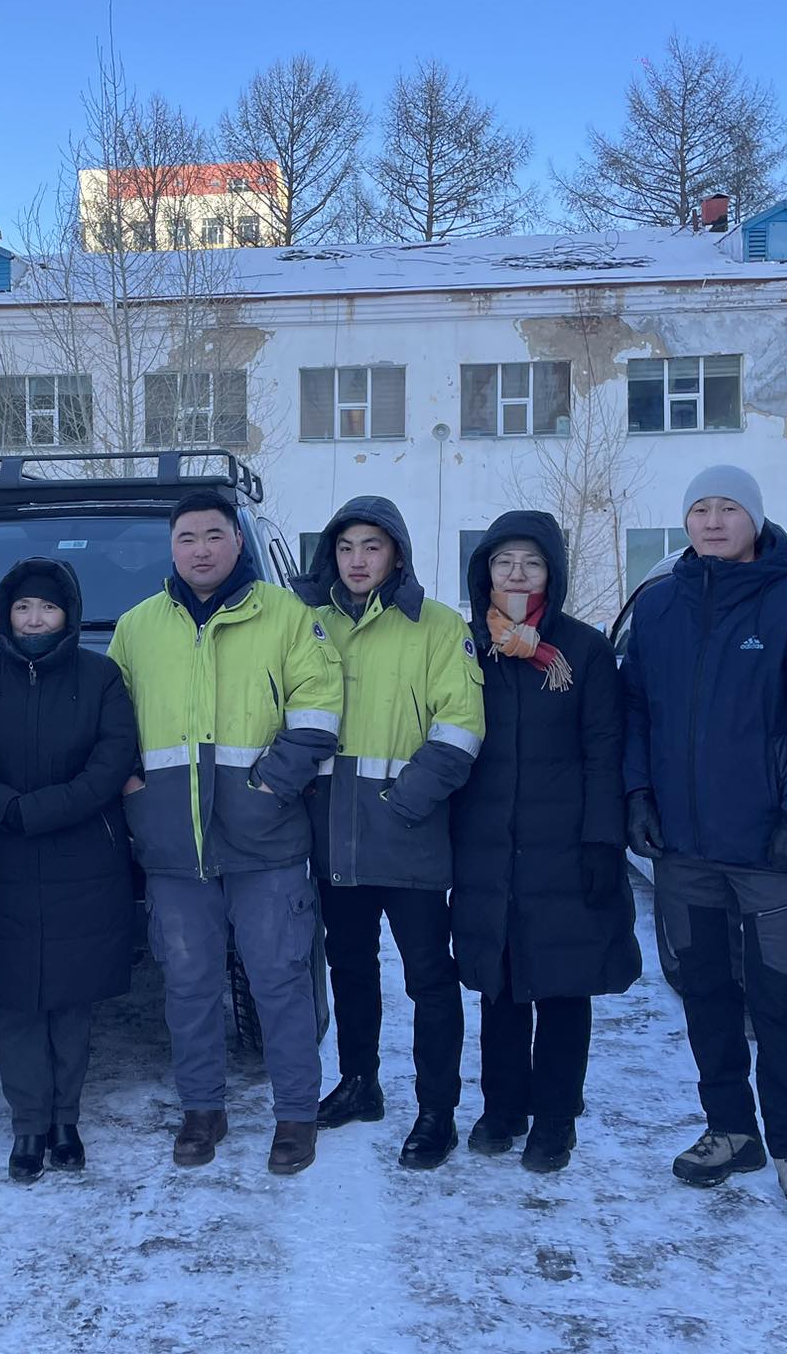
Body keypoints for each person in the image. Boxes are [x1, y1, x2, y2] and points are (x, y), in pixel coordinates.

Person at [621, 465, 787, 1222]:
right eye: (700, 509)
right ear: (685, 522)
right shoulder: (659, 606)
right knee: (705, 997)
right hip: (684, 849)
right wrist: (637, 795)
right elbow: (635, 714)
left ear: (755, 518)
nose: (714, 521)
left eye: (729, 508)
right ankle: (730, 1129)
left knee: (783, 1000)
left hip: (772, 851)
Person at [108, 490, 343, 1175]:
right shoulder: (137, 626)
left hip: (266, 841)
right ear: (172, 547)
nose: (201, 549)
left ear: (238, 542)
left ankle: (297, 1115)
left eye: (215, 534)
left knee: (280, 980)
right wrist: (132, 787)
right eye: (187, 537)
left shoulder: (289, 618)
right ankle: (201, 1110)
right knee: (189, 985)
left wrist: (269, 784)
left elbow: (320, 711)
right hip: (173, 846)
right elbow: (110, 720)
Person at [295, 497, 483, 1169]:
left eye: (372, 546)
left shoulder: (436, 627)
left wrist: (407, 803)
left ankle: (437, 1110)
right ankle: (360, 1082)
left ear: (396, 554)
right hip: (333, 836)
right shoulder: (308, 624)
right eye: (345, 547)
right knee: (349, 966)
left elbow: (460, 725)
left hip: (409, 836)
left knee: (430, 979)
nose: (357, 560)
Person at [450, 511, 640, 1174]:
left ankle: (556, 1117)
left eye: (531, 562)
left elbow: (603, 750)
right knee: (498, 988)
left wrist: (601, 842)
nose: (517, 573)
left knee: (563, 986)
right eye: (505, 561)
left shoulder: (582, 651)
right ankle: (503, 1108)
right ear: (485, 572)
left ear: (552, 572)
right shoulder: (466, 646)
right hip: (488, 846)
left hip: (565, 847)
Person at [0, 558, 139, 1182]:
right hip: (3, 855)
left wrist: (46, 810)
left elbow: (113, 759)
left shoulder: (101, 676)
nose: (35, 619)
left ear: (68, 616)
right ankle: (28, 1123)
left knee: (70, 999)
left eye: (48, 608)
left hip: (83, 857)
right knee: (16, 1001)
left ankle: (66, 1118)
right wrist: (5, 808)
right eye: (24, 607)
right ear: (6, 612)